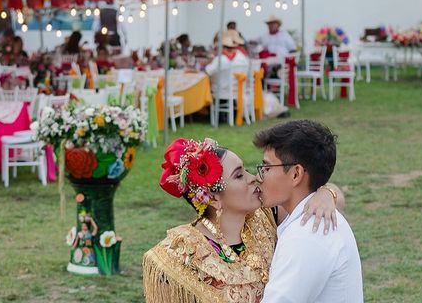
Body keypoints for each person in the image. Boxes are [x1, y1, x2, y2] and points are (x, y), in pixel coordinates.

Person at [143, 137, 340, 302]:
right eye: (238, 175)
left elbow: (314, 192)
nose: (253, 177)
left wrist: (325, 192)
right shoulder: (182, 252)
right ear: (213, 198)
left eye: (245, 169)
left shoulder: (264, 215)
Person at [254, 120, 363, 302]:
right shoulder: (310, 219)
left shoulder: (306, 233)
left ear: (296, 174)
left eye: (267, 167)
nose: (258, 177)